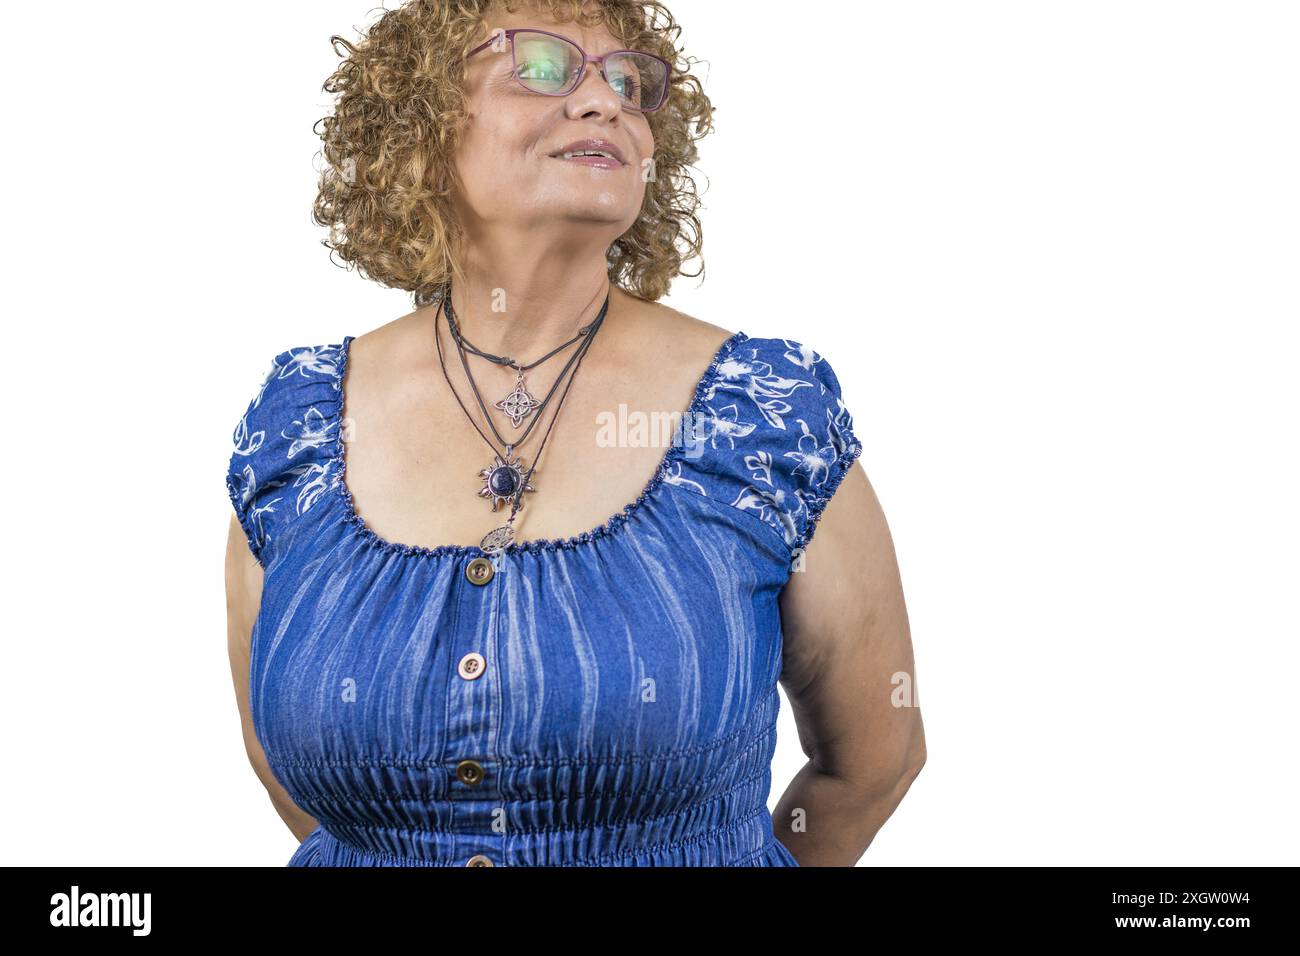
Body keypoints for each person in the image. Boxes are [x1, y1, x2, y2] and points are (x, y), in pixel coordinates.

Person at [224, 0, 924, 867]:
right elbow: (284, 769)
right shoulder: (297, 424)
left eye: (628, 81)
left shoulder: (766, 414)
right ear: (421, 120)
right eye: (546, 67)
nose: (605, 101)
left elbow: (871, 767)